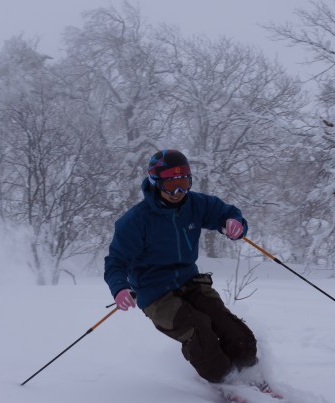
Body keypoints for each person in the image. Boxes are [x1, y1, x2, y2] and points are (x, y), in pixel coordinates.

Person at [104, 149, 258, 384]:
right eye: (171, 184)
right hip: (156, 293)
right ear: (156, 183)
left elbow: (224, 212)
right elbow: (116, 261)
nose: (179, 192)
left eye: (184, 182)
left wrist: (234, 222)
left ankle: (248, 372)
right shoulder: (136, 221)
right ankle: (224, 381)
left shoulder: (194, 204)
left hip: (190, 281)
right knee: (199, 331)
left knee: (232, 330)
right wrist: (119, 287)